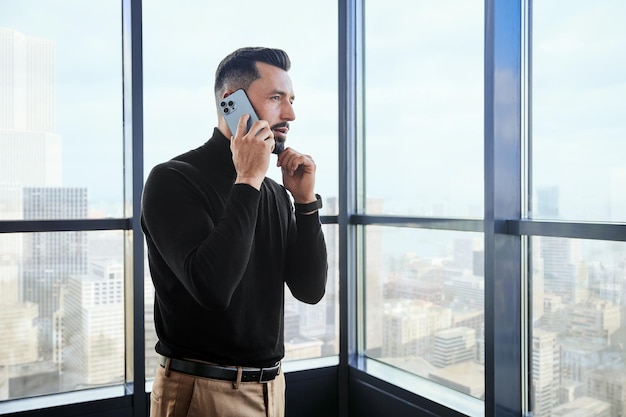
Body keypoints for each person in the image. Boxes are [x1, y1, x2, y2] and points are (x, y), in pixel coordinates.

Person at [141, 47, 328, 417]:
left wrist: (306, 204)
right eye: (276, 99)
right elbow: (212, 288)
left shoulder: (273, 192)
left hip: (273, 389)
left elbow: (310, 290)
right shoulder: (172, 179)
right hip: (202, 392)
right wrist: (247, 178)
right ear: (232, 103)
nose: (290, 114)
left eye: (290, 100)